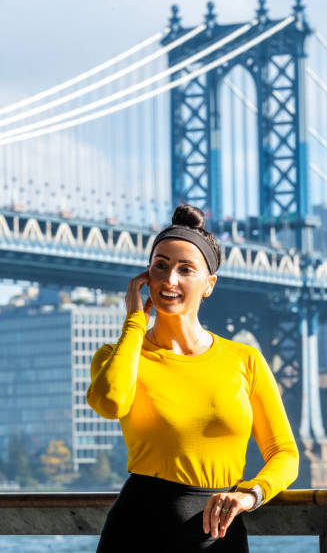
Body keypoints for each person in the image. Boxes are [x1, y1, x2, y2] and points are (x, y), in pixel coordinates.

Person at [87, 203, 299, 552]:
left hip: (220, 535)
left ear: (208, 285)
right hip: (138, 531)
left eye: (186, 269)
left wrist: (250, 494)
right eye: (161, 266)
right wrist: (134, 321)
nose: (170, 280)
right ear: (146, 277)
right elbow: (110, 403)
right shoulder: (116, 356)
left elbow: (284, 453)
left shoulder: (244, 359)